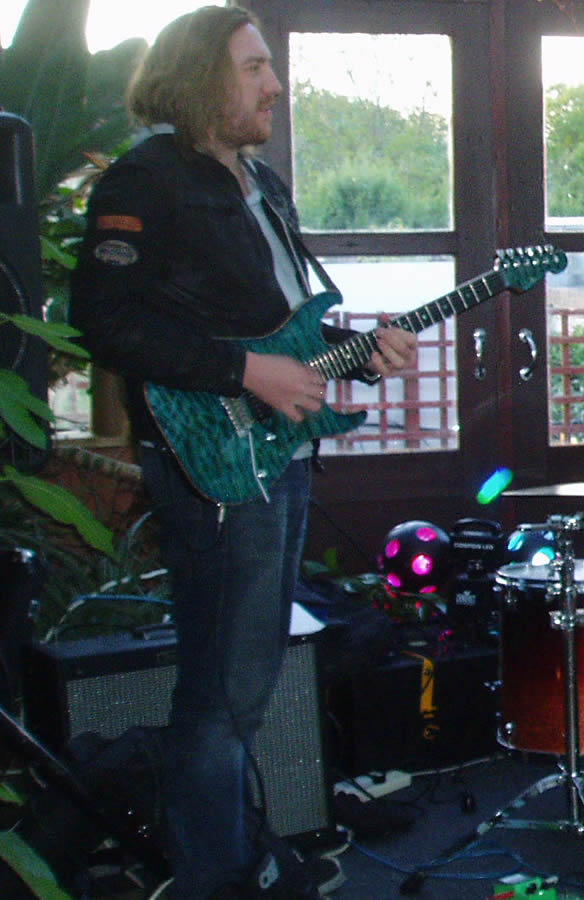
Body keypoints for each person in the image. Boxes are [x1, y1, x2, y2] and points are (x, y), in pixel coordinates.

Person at [69, 7, 417, 896]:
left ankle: (232, 856)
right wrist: (245, 372)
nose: (275, 85)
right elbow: (104, 320)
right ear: (200, 77)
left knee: (245, 684)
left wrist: (358, 353)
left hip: (275, 456)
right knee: (223, 694)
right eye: (255, 67)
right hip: (212, 460)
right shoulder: (145, 181)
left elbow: (279, 334)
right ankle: (214, 878)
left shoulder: (261, 184)